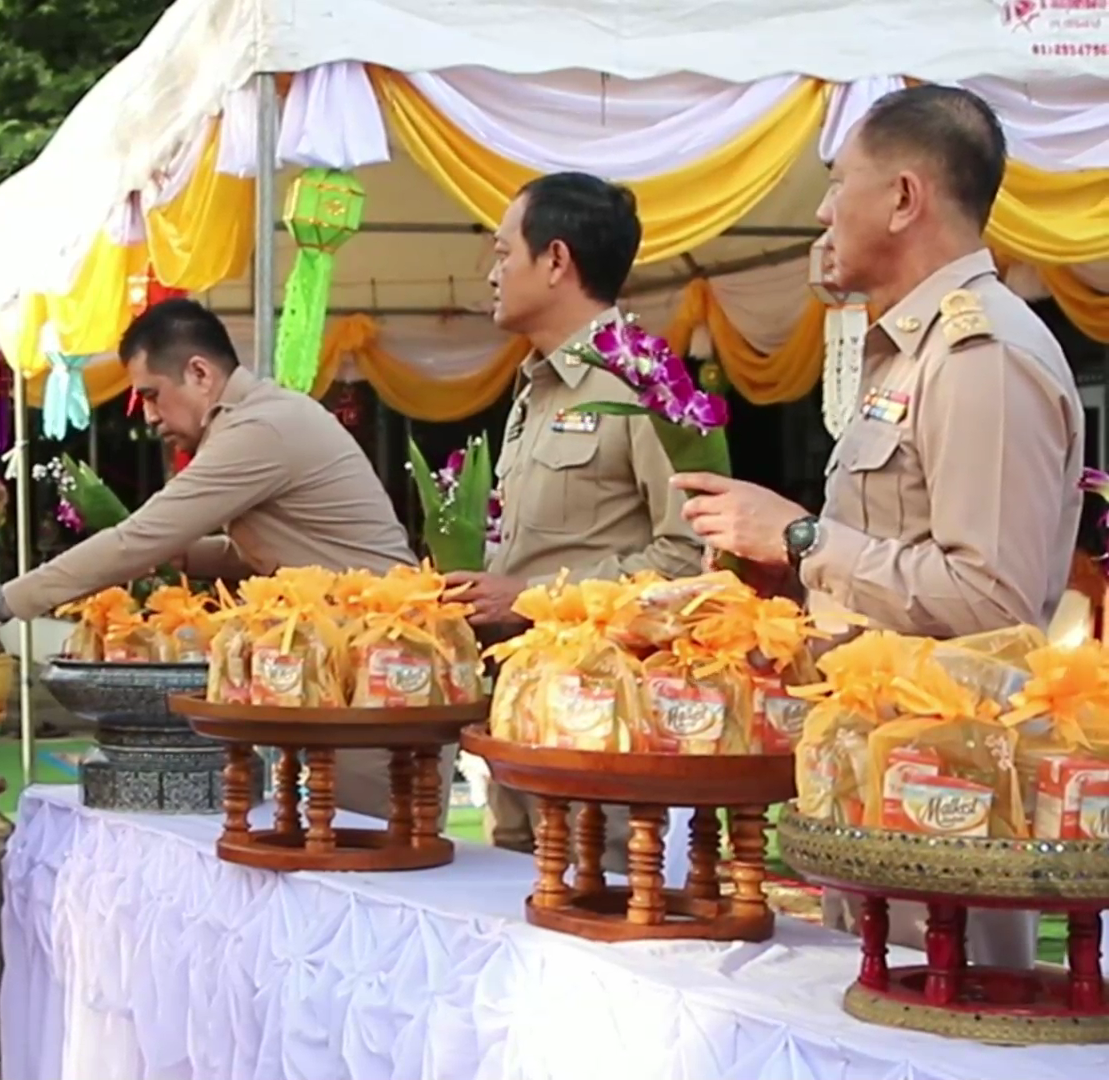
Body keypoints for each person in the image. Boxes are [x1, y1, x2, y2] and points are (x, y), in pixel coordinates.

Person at [673, 85, 1081, 969]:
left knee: (935, 1032)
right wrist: (778, 573)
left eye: (836, 182)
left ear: (903, 198)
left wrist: (804, 540)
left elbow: (991, 600)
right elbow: (896, 559)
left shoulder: (982, 355)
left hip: (944, 797)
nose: (822, 212)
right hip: (873, 773)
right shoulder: (909, 349)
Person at [0, 298, 441, 817]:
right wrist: (183, 555)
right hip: (348, 669)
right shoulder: (260, 417)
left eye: (151, 395)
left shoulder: (258, 430)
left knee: (371, 855)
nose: (148, 417)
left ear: (199, 372)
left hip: (384, 672)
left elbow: (138, 537)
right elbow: (277, 552)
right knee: (337, 848)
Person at [453, 172, 703, 869]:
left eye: (505, 253)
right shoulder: (535, 387)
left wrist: (530, 601)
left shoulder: (643, 379)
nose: (493, 272)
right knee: (507, 894)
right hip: (519, 710)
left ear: (556, 260)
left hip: (601, 727)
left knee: (604, 903)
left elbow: (688, 559)